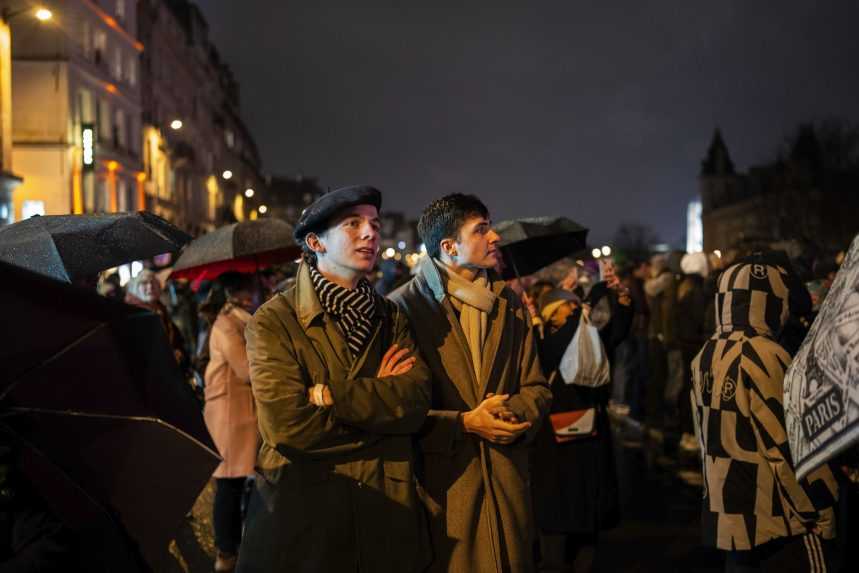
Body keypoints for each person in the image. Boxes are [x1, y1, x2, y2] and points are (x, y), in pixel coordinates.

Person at [236, 186, 432, 573]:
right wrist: (380, 406)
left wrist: (328, 397)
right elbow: (287, 427)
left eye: (374, 224)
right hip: (309, 514)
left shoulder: (389, 316)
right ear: (315, 242)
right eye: (352, 224)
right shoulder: (275, 320)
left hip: (384, 511)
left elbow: (415, 401)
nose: (370, 233)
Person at [390, 193, 552, 573]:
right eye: (481, 230)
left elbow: (538, 387)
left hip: (507, 485)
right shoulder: (404, 308)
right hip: (446, 495)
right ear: (449, 247)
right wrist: (464, 423)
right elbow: (398, 412)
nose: (494, 237)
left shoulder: (508, 302)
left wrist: (508, 413)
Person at [690, 256, 839, 572]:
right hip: (775, 516)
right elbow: (788, 447)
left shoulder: (705, 354)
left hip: (728, 512)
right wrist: (820, 505)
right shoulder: (765, 355)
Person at [531, 282, 633, 573]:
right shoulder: (545, 339)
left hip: (590, 431)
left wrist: (623, 303)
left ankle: (583, 559)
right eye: (568, 306)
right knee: (561, 504)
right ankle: (555, 561)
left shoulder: (586, 333)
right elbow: (563, 342)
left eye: (577, 306)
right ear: (552, 315)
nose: (576, 310)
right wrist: (590, 298)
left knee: (589, 501)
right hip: (557, 436)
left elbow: (615, 334)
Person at [203, 272, 261, 572]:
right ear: (230, 294)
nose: (250, 294)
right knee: (228, 485)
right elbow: (246, 369)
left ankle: (234, 547)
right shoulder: (228, 323)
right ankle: (226, 553)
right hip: (228, 415)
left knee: (237, 483)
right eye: (244, 290)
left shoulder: (241, 319)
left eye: (250, 288)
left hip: (239, 413)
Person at [125, 269, 188, 368]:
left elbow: (176, 338)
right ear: (136, 288)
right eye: (144, 283)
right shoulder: (134, 315)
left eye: (153, 283)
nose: (150, 287)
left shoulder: (160, 308)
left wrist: (178, 351)